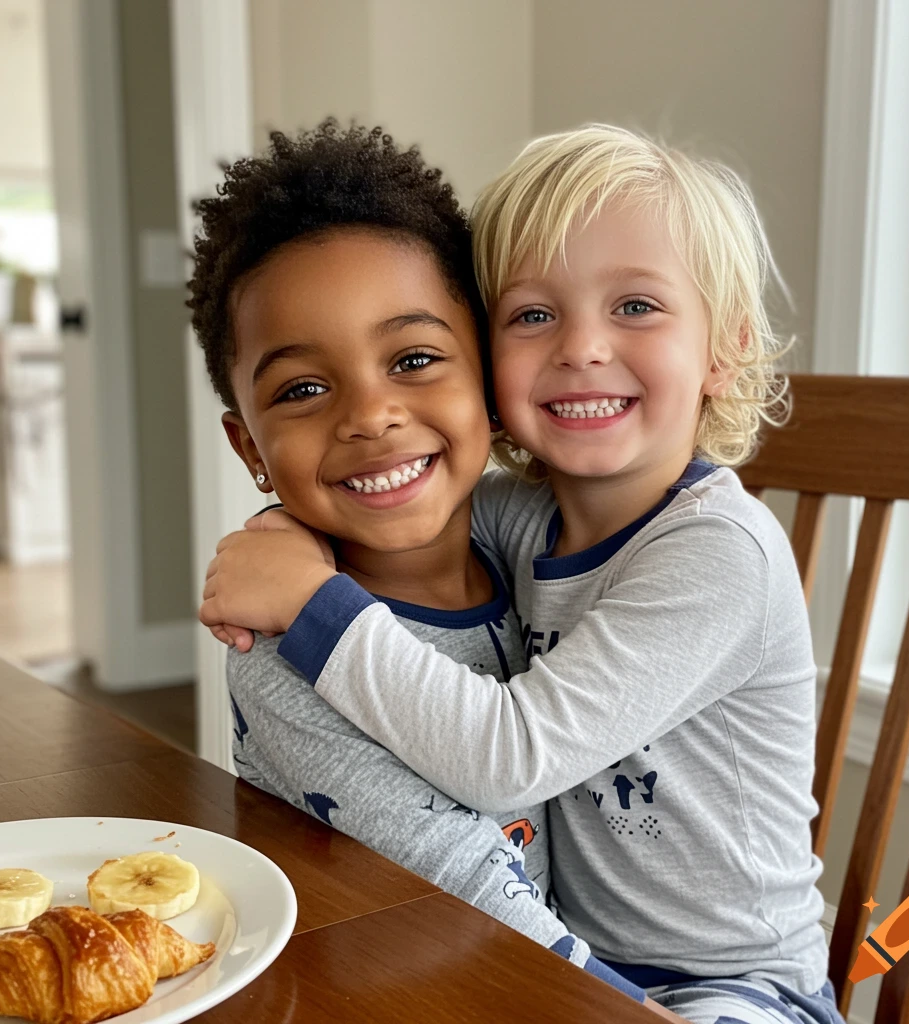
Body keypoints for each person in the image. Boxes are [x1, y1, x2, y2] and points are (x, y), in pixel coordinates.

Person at [200, 124, 844, 1024]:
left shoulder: (717, 551)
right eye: (534, 316)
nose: (581, 346)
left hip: (734, 983)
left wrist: (310, 598)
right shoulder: (514, 520)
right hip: (555, 950)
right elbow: (398, 509)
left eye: (637, 307)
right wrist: (286, 528)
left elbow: (510, 757)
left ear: (723, 348)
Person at [187, 119, 647, 1006]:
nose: (371, 414)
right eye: (304, 389)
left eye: (414, 359)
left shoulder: (530, 546)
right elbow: (466, 881)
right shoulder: (283, 646)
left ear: (487, 377)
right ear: (250, 446)